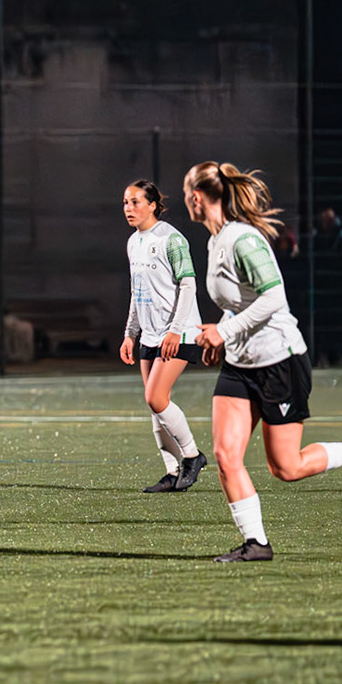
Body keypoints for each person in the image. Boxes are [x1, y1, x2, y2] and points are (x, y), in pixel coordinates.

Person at [183, 162, 342, 563]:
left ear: (196, 198)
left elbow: (274, 298)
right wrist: (223, 334)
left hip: (280, 361)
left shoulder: (243, 239)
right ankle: (256, 543)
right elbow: (241, 304)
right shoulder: (216, 240)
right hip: (241, 366)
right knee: (227, 455)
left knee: (286, 467)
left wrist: (225, 332)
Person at [118, 180, 206, 492]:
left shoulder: (171, 239)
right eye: (126, 202)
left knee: (155, 397)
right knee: (156, 405)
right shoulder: (133, 242)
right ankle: (171, 473)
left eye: (136, 202)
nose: (129, 208)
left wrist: (175, 330)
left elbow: (188, 286)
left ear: (153, 204)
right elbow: (136, 291)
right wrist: (131, 333)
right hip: (150, 335)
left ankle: (193, 456)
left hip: (178, 333)